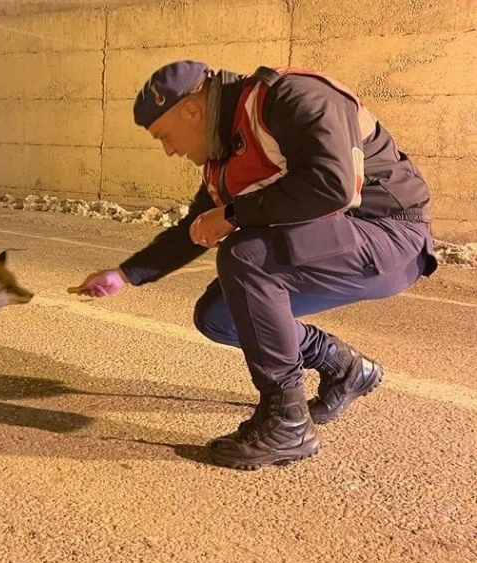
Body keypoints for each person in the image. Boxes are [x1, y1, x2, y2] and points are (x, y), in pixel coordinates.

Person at [70, 60, 437, 470]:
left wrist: (233, 215)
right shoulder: (225, 157)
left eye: (164, 136)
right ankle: (343, 366)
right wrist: (123, 275)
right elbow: (194, 228)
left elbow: (332, 184)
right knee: (220, 315)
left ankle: (287, 422)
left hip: (391, 235)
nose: (169, 150)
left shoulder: (288, 96)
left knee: (247, 256)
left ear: (191, 110)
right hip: (341, 242)